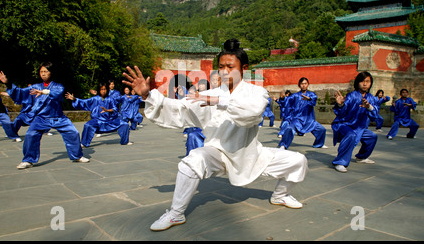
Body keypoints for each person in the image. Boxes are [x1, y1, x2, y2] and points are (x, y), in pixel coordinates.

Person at [123, 38, 308, 231]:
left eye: (230, 66)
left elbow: (252, 113)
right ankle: (176, 214)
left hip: (250, 154)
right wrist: (148, 95)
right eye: (221, 67)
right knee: (192, 161)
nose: (225, 71)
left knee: (298, 161)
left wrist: (219, 101)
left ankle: (280, 196)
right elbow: (181, 109)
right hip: (218, 153)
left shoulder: (256, 92)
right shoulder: (208, 95)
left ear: (244, 68)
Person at [0, 63, 88, 169]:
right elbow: (20, 93)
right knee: (31, 134)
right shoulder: (35, 87)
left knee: (73, 132)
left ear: (51, 72)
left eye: (45, 71)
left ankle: (77, 156)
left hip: (58, 117)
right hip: (41, 118)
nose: (43, 74)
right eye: (41, 72)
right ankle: (28, 160)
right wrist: (8, 83)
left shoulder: (58, 86)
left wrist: (43, 92)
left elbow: (57, 93)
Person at [331, 72, 378, 173]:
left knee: (372, 136)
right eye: (362, 81)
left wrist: (369, 107)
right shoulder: (351, 96)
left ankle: (361, 157)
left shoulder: (371, 98)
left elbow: (375, 115)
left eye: (367, 81)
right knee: (351, 135)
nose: (364, 84)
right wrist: (340, 105)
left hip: (360, 127)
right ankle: (340, 162)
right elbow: (341, 113)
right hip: (345, 124)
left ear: (371, 83)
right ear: (357, 83)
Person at [65, 83, 132, 147]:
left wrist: (107, 110)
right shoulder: (95, 99)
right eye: (101, 89)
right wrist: (74, 99)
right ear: (99, 90)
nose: (103, 91)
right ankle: (84, 143)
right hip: (97, 120)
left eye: (105, 89)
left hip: (109, 120)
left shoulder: (110, 99)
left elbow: (115, 109)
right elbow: (84, 102)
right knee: (88, 125)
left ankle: (125, 141)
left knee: (124, 124)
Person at [278, 78, 327, 149]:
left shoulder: (311, 94)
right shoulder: (295, 96)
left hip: (309, 120)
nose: (303, 85)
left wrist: (309, 99)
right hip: (297, 119)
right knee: (289, 129)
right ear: (299, 85)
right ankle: (284, 145)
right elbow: (287, 102)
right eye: (302, 84)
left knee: (322, 129)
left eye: (305, 83)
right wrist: (282, 99)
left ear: (308, 85)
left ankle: (319, 144)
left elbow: (314, 100)